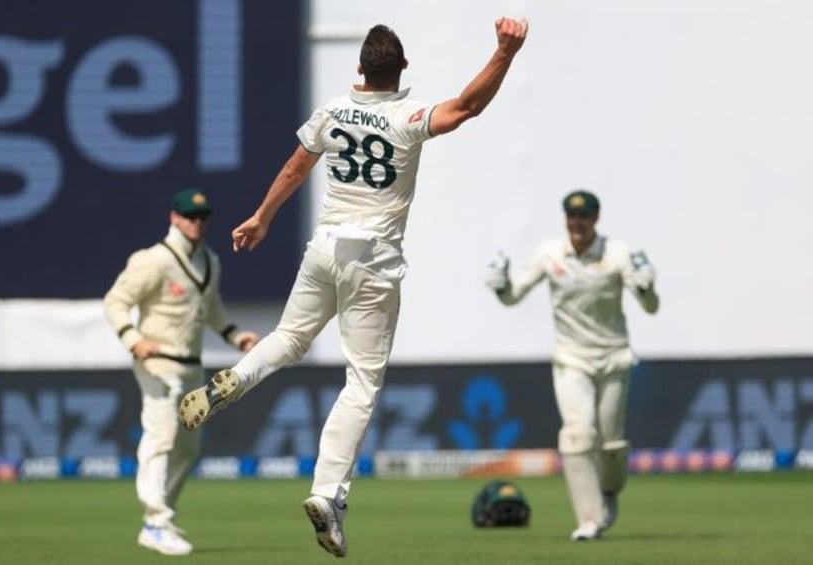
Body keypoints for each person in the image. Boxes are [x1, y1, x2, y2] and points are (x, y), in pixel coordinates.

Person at [178, 18, 529, 557]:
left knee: (290, 338)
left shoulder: (333, 111)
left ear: (360, 69)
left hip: (325, 247)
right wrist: (505, 51)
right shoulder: (408, 116)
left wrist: (261, 217)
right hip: (374, 257)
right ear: (403, 69)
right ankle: (327, 494)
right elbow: (466, 107)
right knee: (361, 382)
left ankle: (236, 379)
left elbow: (296, 168)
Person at [484, 189, 659, 541]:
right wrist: (500, 286)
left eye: (584, 217)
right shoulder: (551, 253)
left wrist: (646, 288)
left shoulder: (616, 254)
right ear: (566, 220)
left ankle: (609, 493)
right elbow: (514, 296)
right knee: (578, 434)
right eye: (572, 217)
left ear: (596, 219)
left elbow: (651, 306)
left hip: (613, 357)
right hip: (571, 358)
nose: (577, 223)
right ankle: (589, 520)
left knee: (610, 442)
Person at [104, 189, 259, 556]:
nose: (197, 223)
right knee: (161, 435)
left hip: (192, 365)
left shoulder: (209, 260)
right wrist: (134, 339)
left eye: (202, 217)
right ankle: (156, 521)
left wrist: (237, 337)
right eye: (190, 216)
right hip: (156, 361)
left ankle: (159, 518)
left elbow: (213, 309)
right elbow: (117, 301)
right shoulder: (154, 260)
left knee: (188, 447)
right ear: (174, 218)